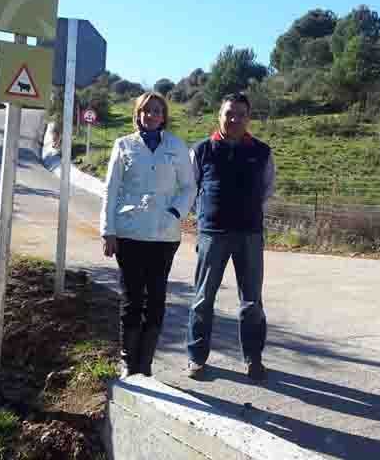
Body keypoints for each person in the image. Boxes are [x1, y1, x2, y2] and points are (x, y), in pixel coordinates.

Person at [101, 92, 195, 378]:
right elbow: (111, 189)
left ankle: (146, 364)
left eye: (157, 111)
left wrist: (176, 214)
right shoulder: (124, 145)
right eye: (146, 111)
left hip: (164, 236)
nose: (152, 115)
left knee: (156, 299)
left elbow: (189, 187)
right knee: (132, 298)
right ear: (138, 114)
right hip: (129, 233)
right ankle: (129, 362)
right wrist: (108, 230)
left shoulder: (176, 146)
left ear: (164, 116)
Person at [186, 92, 275, 382]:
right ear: (219, 115)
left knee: (252, 303)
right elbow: (191, 188)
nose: (234, 119)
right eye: (229, 114)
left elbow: (266, 189)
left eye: (240, 114)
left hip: (250, 235)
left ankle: (254, 359)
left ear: (248, 118)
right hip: (212, 234)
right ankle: (197, 358)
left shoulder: (262, 152)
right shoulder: (201, 150)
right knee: (202, 299)